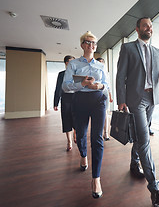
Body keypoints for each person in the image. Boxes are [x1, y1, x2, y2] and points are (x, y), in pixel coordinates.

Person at [116, 17, 159, 207]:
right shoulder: (128, 48)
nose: (149, 28)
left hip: (152, 100)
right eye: (145, 25)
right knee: (144, 140)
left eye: (151, 26)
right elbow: (121, 75)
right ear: (137, 29)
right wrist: (121, 100)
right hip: (135, 100)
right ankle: (155, 190)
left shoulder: (157, 51)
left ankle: (133, 163)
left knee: (139, 137)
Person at [62, 31, 108, 199]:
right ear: (82, 45)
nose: (91, 45)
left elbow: (107, 85)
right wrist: (82, 83)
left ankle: (96, 178)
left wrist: (100, 87)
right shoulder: (73, 64)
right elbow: (66, 87)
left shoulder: (101, 66)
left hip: (98, 101)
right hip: (80, 100)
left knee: (97, 138)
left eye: (94, 43)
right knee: (81, 134)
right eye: (88, 42)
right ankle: (83, 155)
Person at [53, 55, 76, 151]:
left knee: (77, 118)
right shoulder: (61, 74)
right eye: (71, 61)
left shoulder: (77, 73)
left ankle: (76, 134)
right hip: (65, 98)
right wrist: (55, 102)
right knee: (66, 119)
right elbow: (58, 88)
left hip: (76, 98)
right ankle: (69, 141)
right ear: (66, 63)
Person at [96, 57, 113, 141]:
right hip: (96, 93)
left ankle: (106, 133)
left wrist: (110, 95)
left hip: (105, 92)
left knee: (105, 113)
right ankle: (98, 132)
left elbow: (108, 85)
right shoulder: (94, 71)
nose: (101, 63)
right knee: (98, 114)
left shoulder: (106, 73)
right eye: (99, 62)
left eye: (102, 62)